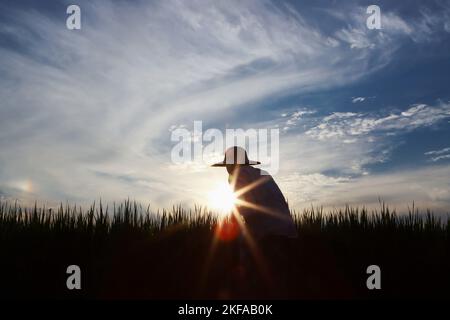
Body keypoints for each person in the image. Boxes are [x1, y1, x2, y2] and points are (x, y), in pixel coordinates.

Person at [212, 146, 297, 297]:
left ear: (232, 165)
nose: (227, 169)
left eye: (227, 165)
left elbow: (246, 209)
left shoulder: (237, 176)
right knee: (282, 285)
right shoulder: (262, 173)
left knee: (257, 284)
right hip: (289, 232)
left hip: (269, 237)